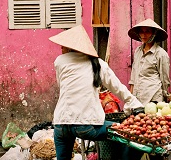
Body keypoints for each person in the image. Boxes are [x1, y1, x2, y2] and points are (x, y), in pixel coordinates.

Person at [50, 25, 143, 160]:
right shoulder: (99, 64)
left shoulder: (59, 61)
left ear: (72, 47)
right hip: (85, 126)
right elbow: (118, 88)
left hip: (61, 124)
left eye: (63, 45)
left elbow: (63, 87)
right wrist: (135, 104)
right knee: (127, 132)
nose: (61, 48)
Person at [128, 19, 171, 105]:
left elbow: (164, 79)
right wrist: (130, 97)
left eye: (147, 32)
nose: (144, 35)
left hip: (153, 97)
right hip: (138, 96)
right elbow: (134, 75)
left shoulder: (161, 54)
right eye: (141, 32)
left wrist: (164, 96)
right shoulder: (138, 51)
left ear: (154, 34)